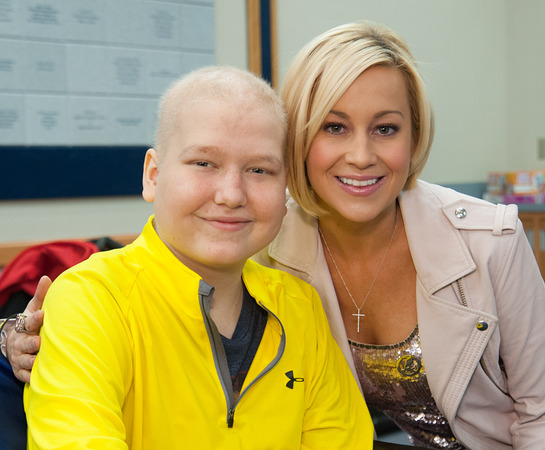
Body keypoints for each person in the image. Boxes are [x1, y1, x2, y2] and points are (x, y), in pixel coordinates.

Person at [7, 21, 545, 449]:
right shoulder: (258, 247)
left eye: (386, 128)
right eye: (334, 127)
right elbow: (132, 290)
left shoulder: (485, 240)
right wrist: (16, 334)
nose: (232, 194)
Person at [11, 65, 373, 449]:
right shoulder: (92, 302)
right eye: (204, 163)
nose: (231, 194)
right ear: (153, 175)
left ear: (285, 189)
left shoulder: (300, 308)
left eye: (259, 169)